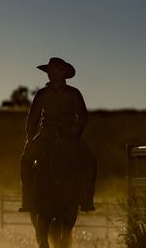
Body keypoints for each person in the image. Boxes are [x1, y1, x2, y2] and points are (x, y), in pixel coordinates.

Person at [19, 57, 96, 212]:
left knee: (90, 161)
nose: (51, 74)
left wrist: (74, 130)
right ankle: (27, 198)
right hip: (46, 135)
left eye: (55, 70)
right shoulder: (42, 94)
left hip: (69, 137)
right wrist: (30, 139)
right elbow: (32, 118)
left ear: (63, 72)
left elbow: (83, 117)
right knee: (25, 160)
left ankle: (86, 198)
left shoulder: (74, 94)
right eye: (50, 71)